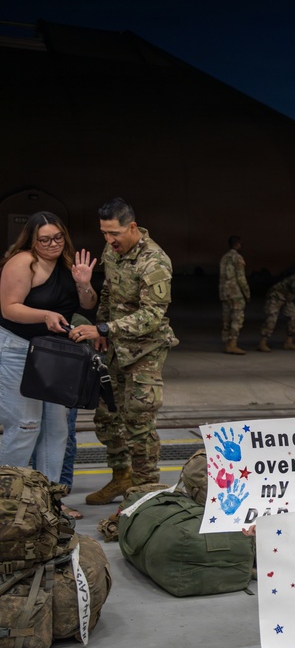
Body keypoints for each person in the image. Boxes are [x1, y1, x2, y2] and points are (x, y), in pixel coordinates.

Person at [70, 198, 178, 504]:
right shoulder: (112, 250)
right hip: (116, 346)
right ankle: (121, 477)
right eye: (104, 233)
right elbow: (108, 293)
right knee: (106, 417)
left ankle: (144, 494)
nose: (108, 240)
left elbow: (152, 316)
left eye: (114, 233)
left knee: (139, 421)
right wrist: (103, 326)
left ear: (132, 226)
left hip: (145, 351)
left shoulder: (154, 261)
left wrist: (103, 329)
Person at [0, 212, 96, 485]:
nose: (53, 244)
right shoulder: (23, 262)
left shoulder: (68, 262)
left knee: (56, 429)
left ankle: (47, 500)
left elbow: (87, 305)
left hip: (55, 354)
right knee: (25, 426)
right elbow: (9, 309)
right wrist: (44, 315)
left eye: (58, 238)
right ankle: (10, 498)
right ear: (32, 240)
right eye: (45, 240)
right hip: (18, 349)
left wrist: (84, 284)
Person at [219, 235, 250, 355]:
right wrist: (247, 293)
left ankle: (227, 344)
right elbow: (241, 278)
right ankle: (233, 344)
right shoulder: (237, 257)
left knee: (226, 318)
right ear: (237, 245)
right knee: (237, 318)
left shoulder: (224, 257)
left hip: (224, 292)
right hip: (235, 292)